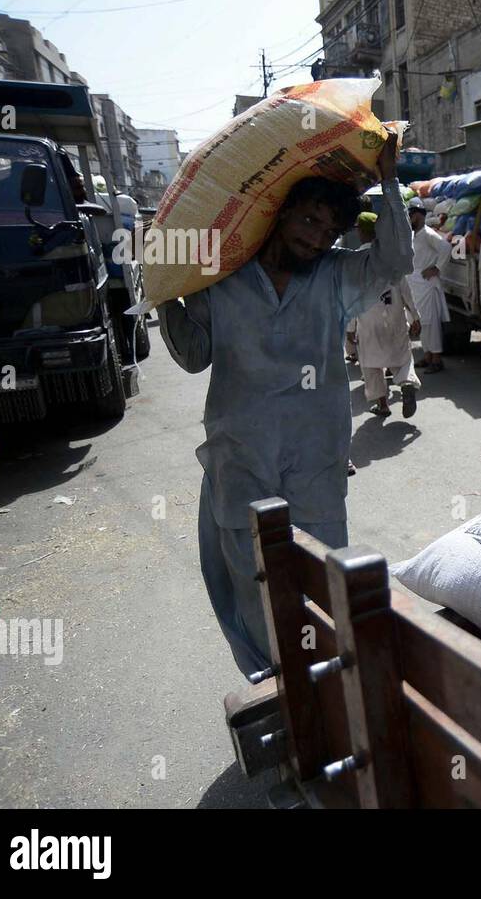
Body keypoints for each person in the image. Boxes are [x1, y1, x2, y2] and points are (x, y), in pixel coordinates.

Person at [157, 136, 412, 679]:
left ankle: (331, 694)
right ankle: (277, 696)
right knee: (254, 591)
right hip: (241, 460)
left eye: (328, 231)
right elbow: (195, 355)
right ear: (281, 212)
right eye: (309, 220)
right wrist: (165, 293)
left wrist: (389, 180)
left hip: (315, 463)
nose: (317, 238)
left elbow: (396, 257)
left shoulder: (335, 276)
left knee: (322, 584)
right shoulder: (221, 276)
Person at [354, 212, 422, 418]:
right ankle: (407, 383)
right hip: (394, 316)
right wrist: (415, 316)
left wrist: (349, 328)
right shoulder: (391, 258)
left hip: (368, 321)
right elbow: (405, 289)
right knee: (402, 357)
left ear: (362, 232)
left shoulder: (355, 260)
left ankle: (383, 404)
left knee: (371, 365)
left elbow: (351, 298)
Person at [406, 196, 451, 374]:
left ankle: (437, 359)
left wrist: (436, 268)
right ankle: (427, 356)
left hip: (427, 285)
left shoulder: (428, 234)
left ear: (419, 215)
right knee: (422, 323)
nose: (409, 218)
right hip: (416, 285)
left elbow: (446, 249)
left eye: (411, 214)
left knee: (431, 324)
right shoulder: (413, 235)